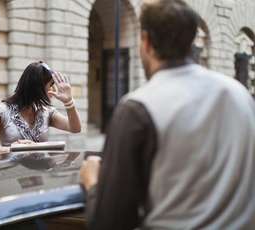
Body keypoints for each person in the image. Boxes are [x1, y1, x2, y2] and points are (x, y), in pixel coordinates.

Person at [80, 0, 255, 229]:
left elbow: (110, 221)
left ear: (145, 41)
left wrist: (92, 180)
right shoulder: (241, 95)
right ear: (191, 38)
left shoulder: (137, 108)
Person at [0, 61, 81, 154]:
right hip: (13, 171)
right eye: (50, 86)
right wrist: (15, 149)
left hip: (42, 171)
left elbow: (75, 128)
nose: (54, 90)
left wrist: (68, 102)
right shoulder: (0, 111)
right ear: (38, 88)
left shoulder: (46, 112)